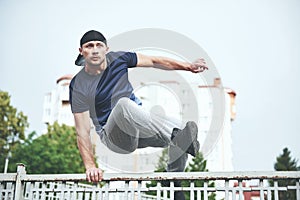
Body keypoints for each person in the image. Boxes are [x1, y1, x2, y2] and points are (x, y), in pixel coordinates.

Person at [69, 30, 208, 198]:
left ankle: (172, 179)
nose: (95, 50)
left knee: (180, 126)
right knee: (123, 104)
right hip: (113, 137)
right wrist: (90, 165)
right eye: (89, 46)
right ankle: (175, 136)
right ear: (81, 51)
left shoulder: (119, 59)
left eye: (99, 45)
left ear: (106, 49)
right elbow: (82, 130)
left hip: (138, 128)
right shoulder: (78, 84)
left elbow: (154, 61)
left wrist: (188, 66)